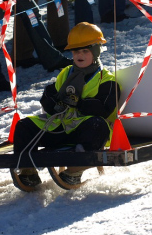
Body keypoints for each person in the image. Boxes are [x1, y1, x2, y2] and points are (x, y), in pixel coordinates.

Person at [13, 22, 120, 187]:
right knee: (24, 126)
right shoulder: (66, 72)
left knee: (97, 124)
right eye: (76, 51)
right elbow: (49, 94)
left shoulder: (106, 79)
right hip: (60, 126)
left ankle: (74, 170)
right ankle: (28, 171)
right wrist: (55, 103)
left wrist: (79, 103)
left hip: (86, 131)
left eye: (85, 51)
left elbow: (103, 109)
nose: (80, 55)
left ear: (96, 51)